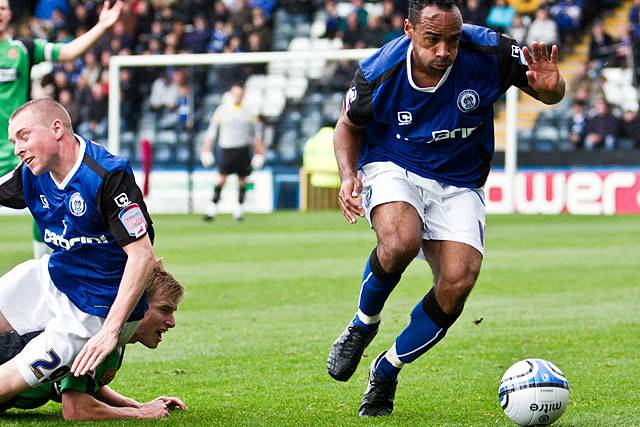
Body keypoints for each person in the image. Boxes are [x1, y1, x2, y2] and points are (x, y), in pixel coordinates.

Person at [327, 0, 564, 417]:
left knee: (458, 281)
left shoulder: (489, 51)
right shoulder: (378, 71)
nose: (443, 51)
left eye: (452, 40)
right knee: (400, 241)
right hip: (393, 163)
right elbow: (347, 126)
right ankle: (363, 323)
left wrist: (550, 90)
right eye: (432, 40)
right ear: (408, 30)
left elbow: (549, 91)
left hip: (460, 182)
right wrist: (349, 174)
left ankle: (387, 368)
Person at [0, 98, 156, 404]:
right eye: (13, 141)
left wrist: (111, 331)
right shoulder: (31, 173)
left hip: (92, 311)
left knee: (6, 383)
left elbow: (143, 256)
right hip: (55, 276)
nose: (17, 148)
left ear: (56, 128)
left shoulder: (106, 176)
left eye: (24, 136)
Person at [0, 0, 124, 258]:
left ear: (10, 13)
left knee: (45, 206)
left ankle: (46, 268)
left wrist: (101, 27)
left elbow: (67, 53)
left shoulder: (24, 48)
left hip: (19, 151)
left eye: (2, 8)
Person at [0, 260, 187, 420]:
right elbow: (76, 408)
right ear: (136, 303)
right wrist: (140, 414)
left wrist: (138, 405)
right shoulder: (93, 330)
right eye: (164, 310)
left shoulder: (115, 335)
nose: (172, 322)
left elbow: (84, 384)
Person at [200, 83, 264, 222]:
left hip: (242, 149)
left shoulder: (249, 112)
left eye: (240, 95)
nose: (237, 97)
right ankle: (212, 209)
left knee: (242, 180)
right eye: (235, 94)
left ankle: (239, 211)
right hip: (227, 149)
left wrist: (259, 152)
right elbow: (212, 132)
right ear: (230, 95)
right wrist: (206, 149)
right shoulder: (222, 111)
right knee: (222, 179)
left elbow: (256, 134)